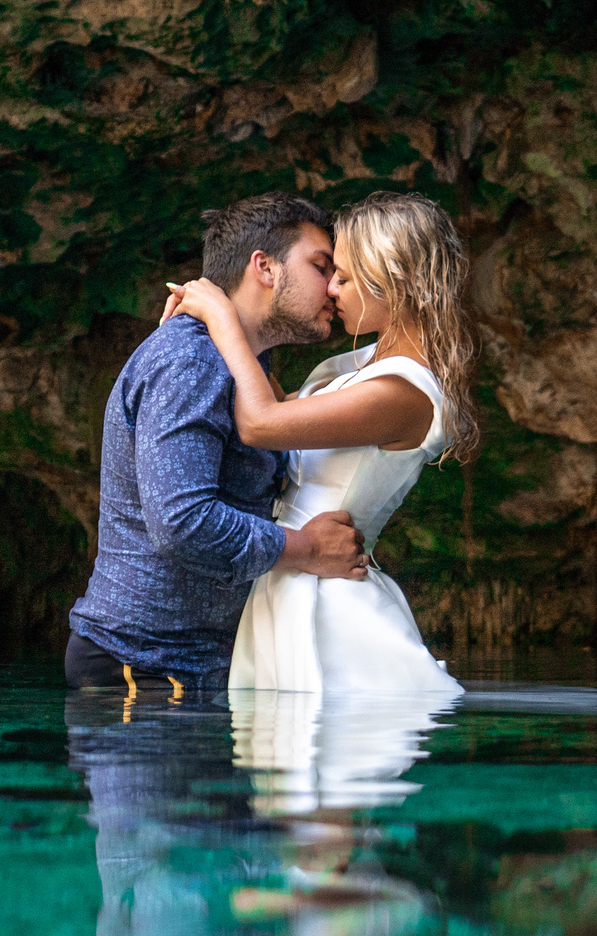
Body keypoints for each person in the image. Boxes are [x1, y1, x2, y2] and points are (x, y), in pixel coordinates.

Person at [166, 191, 474, 696]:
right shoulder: (369, 364)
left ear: (393, 282)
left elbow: (261, 423)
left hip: (331, 603)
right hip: (292, 577)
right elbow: (277, 407)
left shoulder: (403, 392)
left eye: (345, 278)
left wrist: (223, 318)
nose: (330, 289)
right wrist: (236, 315)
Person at [64, 191, 370, 696]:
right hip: (143, 664)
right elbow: (183, 522)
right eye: (321, 267)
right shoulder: (193, 360)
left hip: (185, 665)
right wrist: (307, 548)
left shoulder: (239, 365)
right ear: (264, 267)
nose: (334, 287)